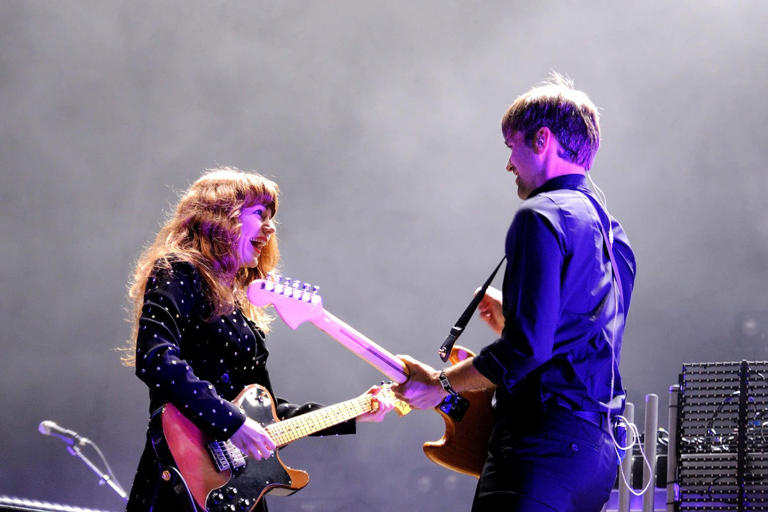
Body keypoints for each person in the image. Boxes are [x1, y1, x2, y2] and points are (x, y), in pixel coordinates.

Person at [394, 74, 637, 512]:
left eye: (512, 146)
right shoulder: (615, 237)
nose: (509, 164)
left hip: (538, 449)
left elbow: (527, 351)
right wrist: (516, 318)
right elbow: (579, 341)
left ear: (542, 138)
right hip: (596, 459)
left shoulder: (540, 216)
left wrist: (439, 383)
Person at [121, 167, 392, 511]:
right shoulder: (179, 272)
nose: (271, 227)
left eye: (272, 217)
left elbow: (268, 415)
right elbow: (155, 357)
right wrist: (231, 423)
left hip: (240, 490)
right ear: (219, 218)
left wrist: (356, 412)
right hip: (184, 480)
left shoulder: (238, 305)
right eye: (259, 215)